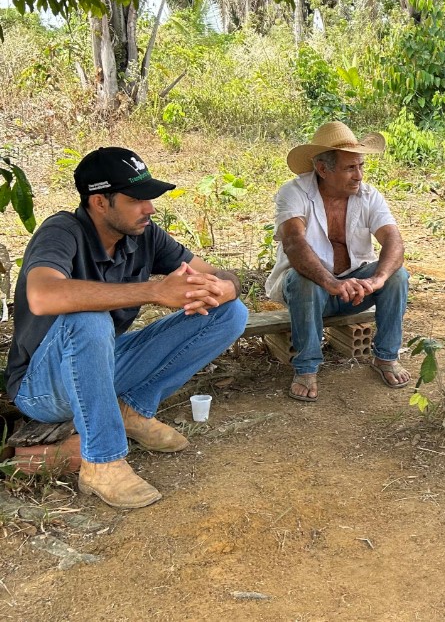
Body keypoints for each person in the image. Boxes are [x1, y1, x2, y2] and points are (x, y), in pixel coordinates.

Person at [5, 147, 248, 509]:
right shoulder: (62, 231)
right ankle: (102, 462)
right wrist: (153, 291)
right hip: (41, 386)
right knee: (87, 318)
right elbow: (42, 295)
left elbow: (217, 274)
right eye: (137, 199)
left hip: (99, 364)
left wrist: (224, 287)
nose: (149, 208)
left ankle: (129, 408)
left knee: (230, 313)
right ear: (100, 202)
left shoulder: (144, 235)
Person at [265, 121, 410, 402]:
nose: (359, 175)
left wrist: (377, 279)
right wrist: (330, 282)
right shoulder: (294, 192)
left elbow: (394, 240)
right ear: (322, 169)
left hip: (353, 289)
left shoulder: (369, 195)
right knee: (304, 280)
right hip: (309, 291)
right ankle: (306, 368)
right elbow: (294, 242)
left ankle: (386, 357)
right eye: (349, 168)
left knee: (397, 275)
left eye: (361, 166)